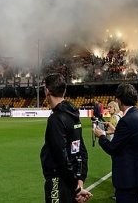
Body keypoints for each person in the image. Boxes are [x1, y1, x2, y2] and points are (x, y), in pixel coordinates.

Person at [94, 84, 138, 203]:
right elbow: (131, 139)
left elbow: (113, 148)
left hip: (128, 178)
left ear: (119, 100)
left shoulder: (126, 120)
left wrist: (101, 136)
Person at [41, 73, 92, 203]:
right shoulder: (73, 115)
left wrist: (76, 188)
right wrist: (79, 183)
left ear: (47, 91)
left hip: (58, 181)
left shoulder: (56, 119)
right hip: (73, 179)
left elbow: (61, 157)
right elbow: (82, 152)